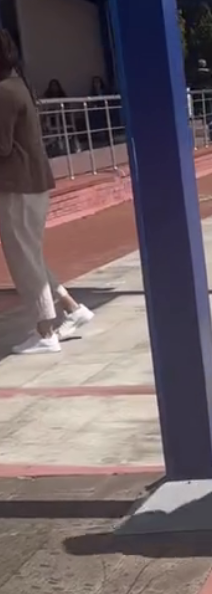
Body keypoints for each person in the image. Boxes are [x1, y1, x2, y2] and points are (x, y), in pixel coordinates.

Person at [0, 30, 94, 354]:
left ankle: (45, 332)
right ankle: (72, 308)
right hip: (32, 184)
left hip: (17, 188)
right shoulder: (17, 85)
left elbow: (1, 146)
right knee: (31, 256)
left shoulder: (4, 92)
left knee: (24, 261)